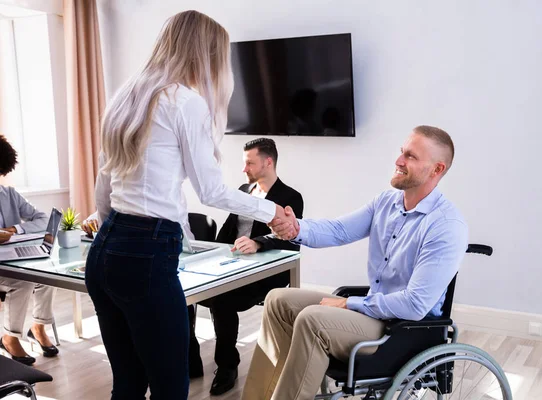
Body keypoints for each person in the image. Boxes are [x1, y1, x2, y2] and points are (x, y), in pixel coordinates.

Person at [84, 11, 295, 400]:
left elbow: (104, 181)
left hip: (104, 251)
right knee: (170, 388)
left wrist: (115, 231)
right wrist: (273, 212)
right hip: (145, 252)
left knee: (128, 385)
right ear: (204, 54)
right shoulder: (184, 101)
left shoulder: (127, 95)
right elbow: (211, 191)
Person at [242, 126, 469, 400]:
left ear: (436, 169)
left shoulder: (445, 226)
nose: (398, 161)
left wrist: (349, 303)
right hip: (375, 312)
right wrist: (295, 228)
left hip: (402, 330)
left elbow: (415, 305)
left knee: (313, 320)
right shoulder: (386, 202)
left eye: (411, 156)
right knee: (278, 300)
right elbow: (338, 230)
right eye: (401, 152)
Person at [189, 137, 304, 395]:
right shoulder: (244, 190)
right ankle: (190, 359)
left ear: (268, 162)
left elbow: (291, 239)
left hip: (264, 275)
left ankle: (227, 365)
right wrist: (209, 255)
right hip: (232, 267)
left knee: (222, 300)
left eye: (250, 163)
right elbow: (228, 232)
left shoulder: (290, 197)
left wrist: (258, 244)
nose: (244, 169)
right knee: (183, 291)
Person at [0, 134, 58, 365]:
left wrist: (15, 229)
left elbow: (42, 219)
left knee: (46, 275)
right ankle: (9, 338)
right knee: (21, 282)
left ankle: (39, 327)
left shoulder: (10, 194)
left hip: (12, 259)